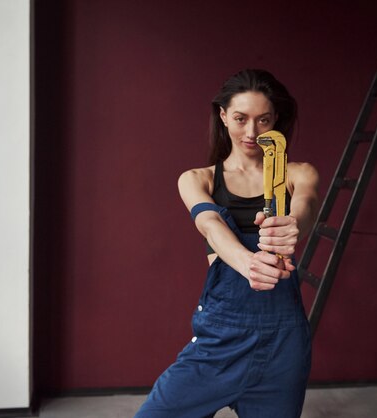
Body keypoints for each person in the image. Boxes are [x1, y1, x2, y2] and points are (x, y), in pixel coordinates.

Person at [135, 69, 319, 418]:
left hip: (283, 347)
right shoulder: (197, 179)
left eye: (263, 120)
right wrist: (246, 261)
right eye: (240, 118)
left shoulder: (298, 174)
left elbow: (305, 207)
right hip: (219, 342)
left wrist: (292, 224)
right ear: (222, 116)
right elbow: (210, 224)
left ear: (275, 119)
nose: (251, 132)